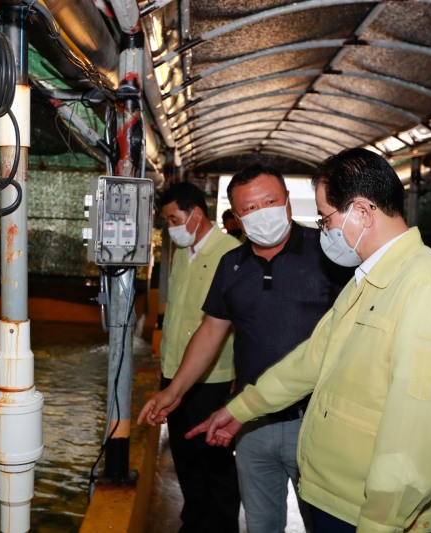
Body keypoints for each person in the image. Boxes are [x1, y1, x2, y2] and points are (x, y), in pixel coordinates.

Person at [186, 148, 431, 533]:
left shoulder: (426, 287)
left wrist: (379, 524)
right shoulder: (365, 280)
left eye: (326, 219)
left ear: (362, 212)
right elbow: (313, 359)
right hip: (337, 501)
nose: (324, 229)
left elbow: (414, 435)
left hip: (374, 516)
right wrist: (242, 408)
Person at [139, 165, 350, 532]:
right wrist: (175, 389)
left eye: (270, 201)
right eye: (250, 208)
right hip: (252, 423)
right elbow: (210, 332)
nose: (262, 213)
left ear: (287, 204)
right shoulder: (231, 266)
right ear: (236, 217)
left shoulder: (329, 254)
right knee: (260, 525)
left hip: (318, 422)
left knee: (326, 524)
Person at [156, 181, 243, 533]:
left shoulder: (231, 254)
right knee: (184, 455)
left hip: (213, 378)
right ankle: (194, 519)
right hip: (174, 373)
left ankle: (221, 525)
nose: (171, 227)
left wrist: (238, 375)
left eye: (173, 218)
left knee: (215, 459)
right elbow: (176, 313)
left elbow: (233, 322)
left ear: (195, 214)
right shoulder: (180, 254)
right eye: (166, 221)